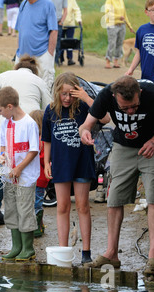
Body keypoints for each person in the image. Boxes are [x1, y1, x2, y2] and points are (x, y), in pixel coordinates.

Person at [79, 75, 154, 276]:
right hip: (124, 146)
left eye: (134, 106)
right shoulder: (106, 95)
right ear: (115, 96)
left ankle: (152, 257)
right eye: (125, 108)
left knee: (153, 196)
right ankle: (111, 253)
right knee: (114, 199)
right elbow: (87, 123)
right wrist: (85, 131)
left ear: (139, 94)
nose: (130, 112)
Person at [42, 72, 106, 264]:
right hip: (61, 163)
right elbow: (47, 139)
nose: (67, 98)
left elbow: (105, 118)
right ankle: (64, 251)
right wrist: (46, 162)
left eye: (72, 94)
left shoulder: (84, 107)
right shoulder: (50, 110)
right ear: (57, 93)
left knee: (82, 206)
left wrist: (86, 97)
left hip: (82, 161)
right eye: (63, 94)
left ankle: (86, 253)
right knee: (62, 206)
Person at [0, 87, 39, 262]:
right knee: (11, 209)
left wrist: (19, 168)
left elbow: (33, 150)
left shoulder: (29, 123)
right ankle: (16, 246)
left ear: (10, 106)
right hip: (9, 175)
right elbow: (3, 145)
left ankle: (28, 248)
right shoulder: (7, 123)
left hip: (25, 176)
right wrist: (3, 156)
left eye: (0, 110)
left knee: (25, 210)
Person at [0, 54, 51, 142]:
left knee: (0, 155)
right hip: (30, 129)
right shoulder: (40, 81)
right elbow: (49, 109)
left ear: (16, 67)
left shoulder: (2, 77)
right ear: (35, 71)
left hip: (2, 129)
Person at [15, 0, 58, 91]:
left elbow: (54, 30)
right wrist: (19, 50)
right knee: (21, 87)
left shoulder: (48, 4)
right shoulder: (23, 4)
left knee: (45, 88)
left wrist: (49, 54)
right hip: (23, 56)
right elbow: (20, 29)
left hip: (42, 54)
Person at [125, 0, 154, 82]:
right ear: (146, 12)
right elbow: (139, 52)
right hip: (146, 74)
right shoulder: (142, 30)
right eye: (153, 10)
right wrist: (131, 69)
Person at [29, 109, 48, 237]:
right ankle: (39, 225)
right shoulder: (43, 140)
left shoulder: (39, 141)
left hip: (37, 176)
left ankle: (36, 226)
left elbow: (42, 158)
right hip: (40, 178)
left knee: (34, 202)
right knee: (37, 201)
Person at [104, 0, 135, 69]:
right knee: (112, 43)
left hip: (122, 25)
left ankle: (116, 61)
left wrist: (129, 26)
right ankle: (108, 61)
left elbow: (124, 15)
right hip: (112, 24)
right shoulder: (109, 1)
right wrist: (118, 17)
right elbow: (108, 13)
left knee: (120, 43)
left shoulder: (121, 1)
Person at [61, 0, 82, 66]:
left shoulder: (72, 1)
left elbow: (76, 10)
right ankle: (60, 58)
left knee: (70, 41)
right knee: (60, 42)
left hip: (70, 24)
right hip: (60, 25)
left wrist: (78, 19)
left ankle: (70, 58)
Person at [51, 0, 68, 66]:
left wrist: (61, 22)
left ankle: (56, 61)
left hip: (58, 23)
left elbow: (65, 10)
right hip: (48, 22)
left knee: (57, 43)